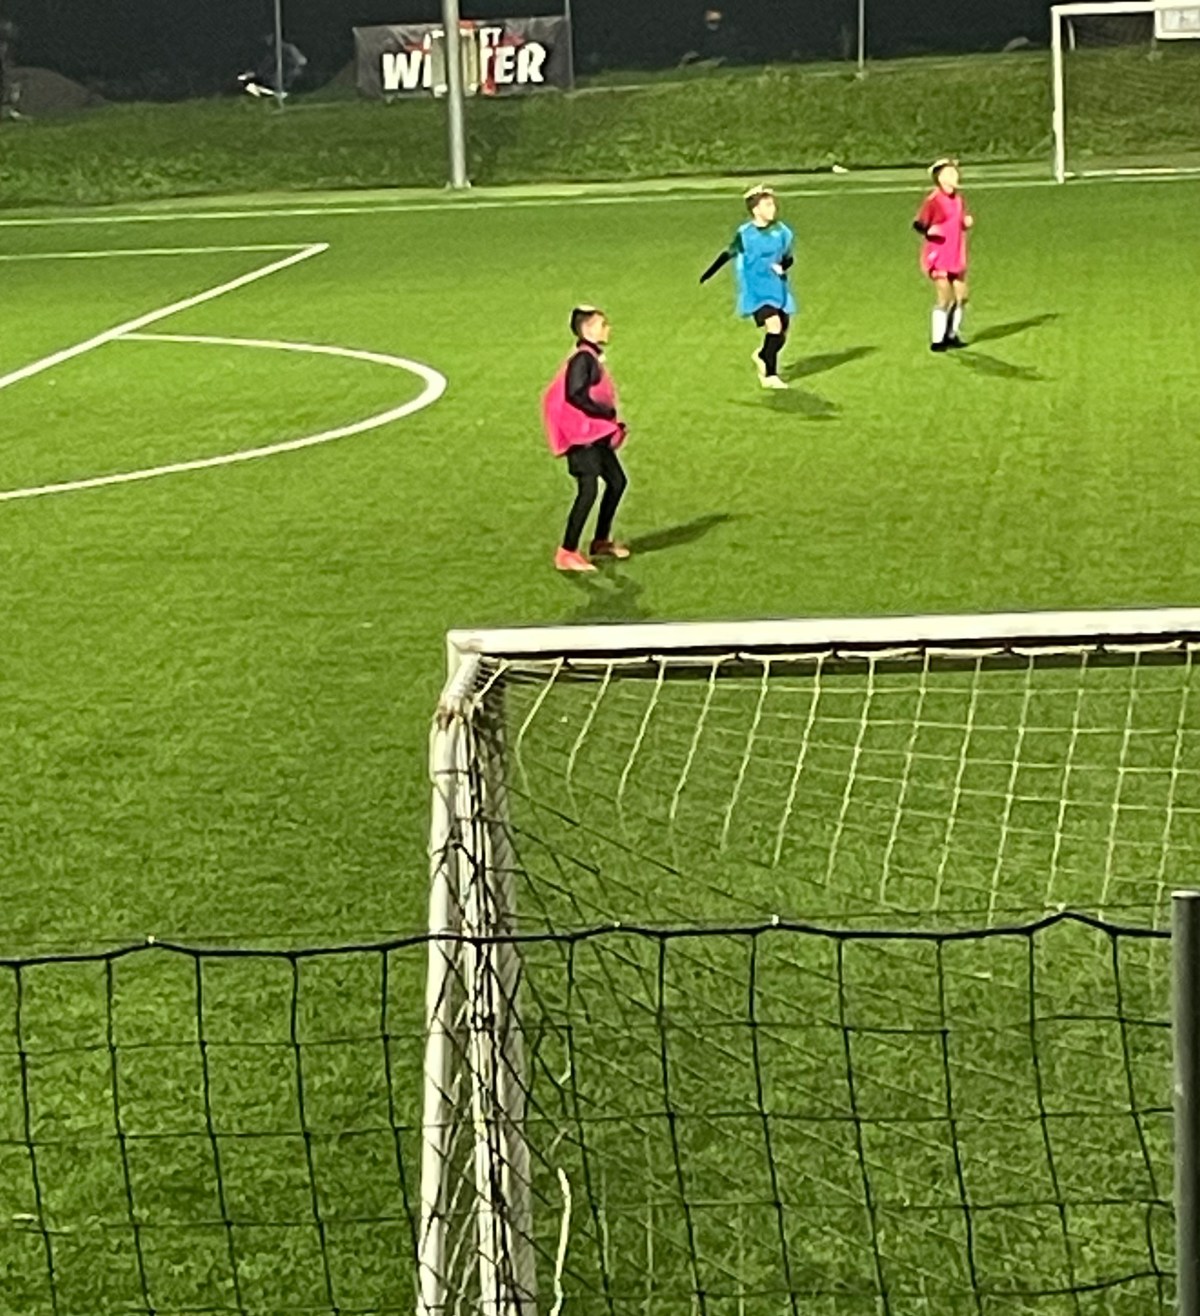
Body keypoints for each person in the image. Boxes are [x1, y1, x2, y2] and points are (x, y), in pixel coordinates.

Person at [541, 307, 631, 573]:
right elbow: (575, 393)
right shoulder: (583, 359)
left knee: (617, 481)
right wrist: (604, 413)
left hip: (594, 434)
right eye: (603, 324)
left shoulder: (590, 357)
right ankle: (566, 552)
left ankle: (600, 542)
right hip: (582, 437)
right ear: (588, 330)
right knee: (588, 490)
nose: (608, 329)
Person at [699, 184, 796, 390]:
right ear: (756, 210)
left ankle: (762, 355)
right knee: (774, 326)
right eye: (767, 205)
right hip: (757, 290)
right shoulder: (745, 234)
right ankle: (770, 376)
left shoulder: (782, 231)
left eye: (773, 205)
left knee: (781, 334)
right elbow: (729, 253)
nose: (773, 209)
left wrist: (782, 266)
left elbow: (788, 257)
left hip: (777, 288)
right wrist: (709, 273)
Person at [913, 158, 974, 351]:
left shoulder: (959, 199)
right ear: (940, 178)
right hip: (938, 254)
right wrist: (929, 231)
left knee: (961, 296)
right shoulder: (934, 200)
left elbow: (958, 222)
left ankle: (952, 334)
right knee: (945, 296)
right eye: (950, 173)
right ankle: (937, 339)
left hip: (955, 253)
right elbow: (919, 223)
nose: (955, 176)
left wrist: (965, 222)